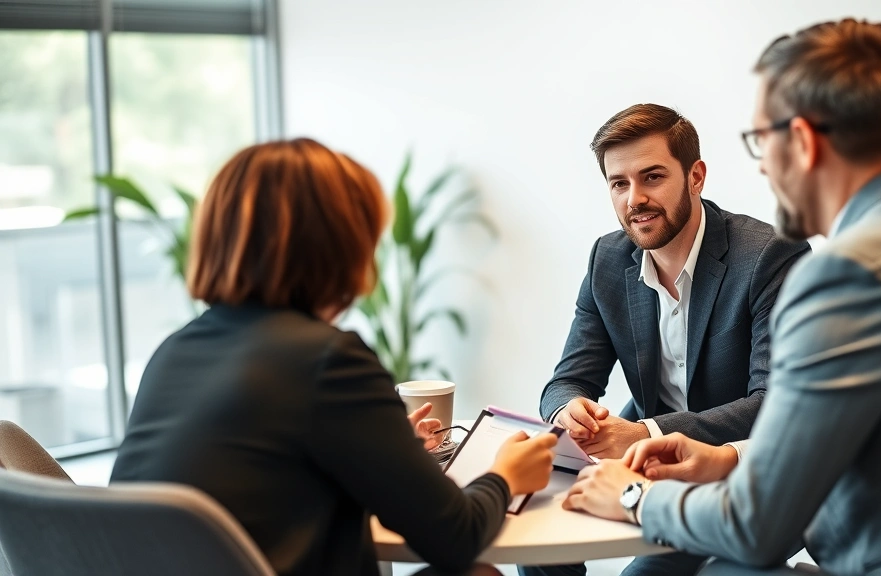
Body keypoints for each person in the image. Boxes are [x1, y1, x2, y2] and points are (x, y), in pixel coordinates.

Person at [561, 18, 881, 576]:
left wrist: (634, 499)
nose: (762, 165)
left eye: (762, 140)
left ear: (801, 141)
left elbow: (758, 527)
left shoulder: (847, 276)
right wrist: (725, 458)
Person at [110, 138, 558, 576]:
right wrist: (505, 476)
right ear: (341, 242)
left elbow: (260, 473)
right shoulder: (326, 359)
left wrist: (381, 447)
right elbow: (454, 539)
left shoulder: (175, 351)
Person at [524, 106, 808, 576]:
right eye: (619, 183)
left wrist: (646, 433)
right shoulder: (608, 259)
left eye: (651, 177)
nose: (635, 199)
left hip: (742, 472)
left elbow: (774, 404)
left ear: (695, 176)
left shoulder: (768, 257)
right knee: (539, 539)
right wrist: (569, 410)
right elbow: (568, 379)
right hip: (646, 461)